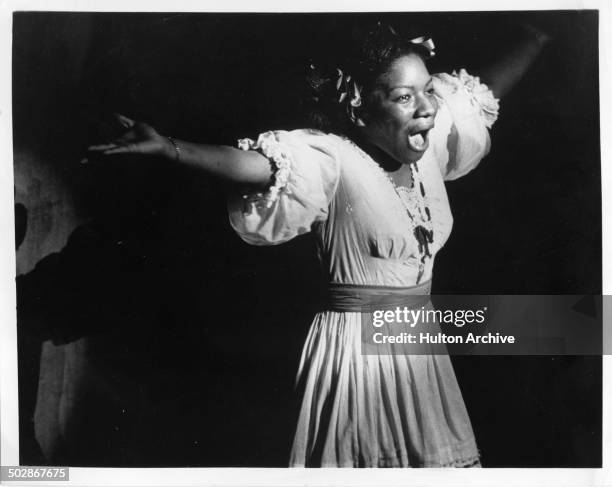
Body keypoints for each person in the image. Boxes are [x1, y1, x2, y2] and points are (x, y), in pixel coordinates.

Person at [86, 23, 549, 467]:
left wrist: (540, 33)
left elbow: (477, 94)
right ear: (357, 104)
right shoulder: (330, 157)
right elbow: (260, 167)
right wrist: (170, 148)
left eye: (427, 90)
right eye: (404, 97)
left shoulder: (428, 147)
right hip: (354, 354)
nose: (426, 107)